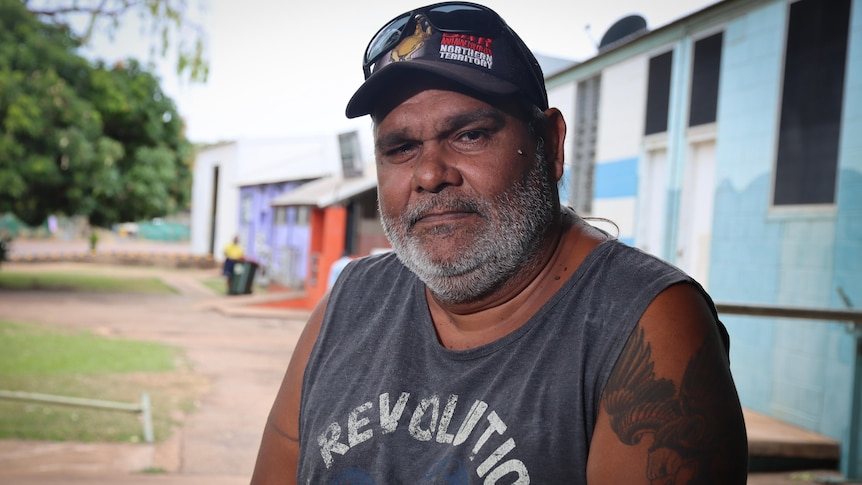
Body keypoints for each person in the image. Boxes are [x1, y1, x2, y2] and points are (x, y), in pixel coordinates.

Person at [251, 2, 748, 483]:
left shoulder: (644, 323)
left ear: (550, 145)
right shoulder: (352, 301)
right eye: (401, 148)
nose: (429, 174)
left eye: (469, 135)